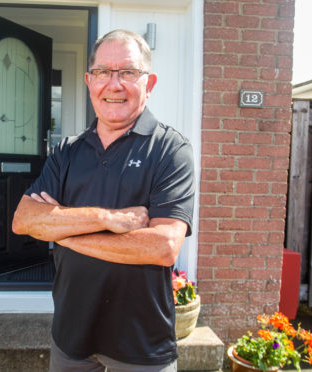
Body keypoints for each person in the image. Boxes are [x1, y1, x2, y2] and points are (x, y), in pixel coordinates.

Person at [12, 29, 195, 372]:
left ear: (149, 83)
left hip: (141, 346)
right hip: (71, 339)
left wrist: (61, 229)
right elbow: (24, 220)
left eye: (127, 72)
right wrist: (106, 218)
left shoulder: (171, 150)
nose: (114, 84)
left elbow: (163, 247)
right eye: (103, 72)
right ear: (89, 81)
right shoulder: (67, 151)